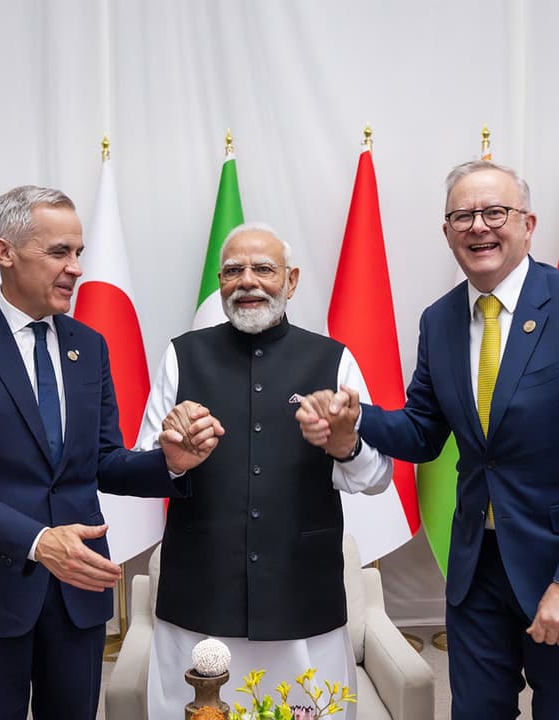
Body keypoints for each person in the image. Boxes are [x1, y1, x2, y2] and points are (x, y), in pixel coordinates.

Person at [297, 161, 559, 720]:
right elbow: (422, 431)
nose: (478, 226)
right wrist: (356, 418)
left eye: (495, 212)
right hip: (477, 567)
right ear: (447, 232)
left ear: (528, 224)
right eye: (463, 215)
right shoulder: (439, 320)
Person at [0, 184, 225, 720]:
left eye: (78, 252)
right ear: (4, 253)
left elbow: (101, 460)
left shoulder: (89, 345)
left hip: (76, 597)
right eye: (59, 252)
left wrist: (171, 462)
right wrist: (37, 542)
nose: (76, 267)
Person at [137, 222, 393, 720]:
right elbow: (148, 464)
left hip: (301, 594)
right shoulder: (182, 354)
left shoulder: (333, 359)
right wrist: (172, 454)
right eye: (233, 270)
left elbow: (375, 477)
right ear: (220, 281)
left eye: (263, 269)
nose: (247, 281)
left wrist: (345, 445)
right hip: (200, 594)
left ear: (292, 281)